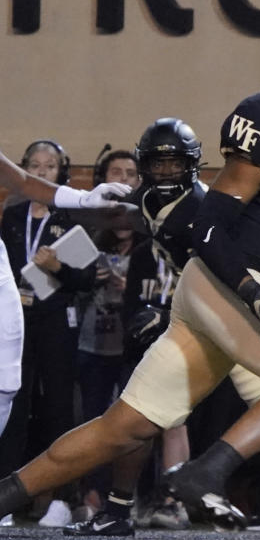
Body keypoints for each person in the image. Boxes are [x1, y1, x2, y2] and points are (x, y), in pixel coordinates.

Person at [0, 6, 260, 540]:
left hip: (226, 291)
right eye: (156, 165)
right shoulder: (152, 192)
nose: (164, 173)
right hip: (222, 291)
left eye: (174, 164)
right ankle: (192, 481)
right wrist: (249, 289)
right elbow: (167, 231)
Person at [0, 143, 129, 527]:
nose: (42, 169)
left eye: (51, 164)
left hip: (52, 314)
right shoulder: (13, 214)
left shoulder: (66, 218)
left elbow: (20, 179)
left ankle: (27, 495)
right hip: (25, 305)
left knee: (12, 387)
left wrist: (84, 198)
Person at [75, 150, 145, 519]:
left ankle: (128, 499)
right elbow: (41, 281)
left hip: (133, 347)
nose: (124, 178)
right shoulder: (88, 236)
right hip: (92, 345)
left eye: (131, 173)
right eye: (115, 172)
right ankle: (90, 496)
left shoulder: (151, 238)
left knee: (133, 427)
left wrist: (129, 286)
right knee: (91, 422)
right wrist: (79, 277)